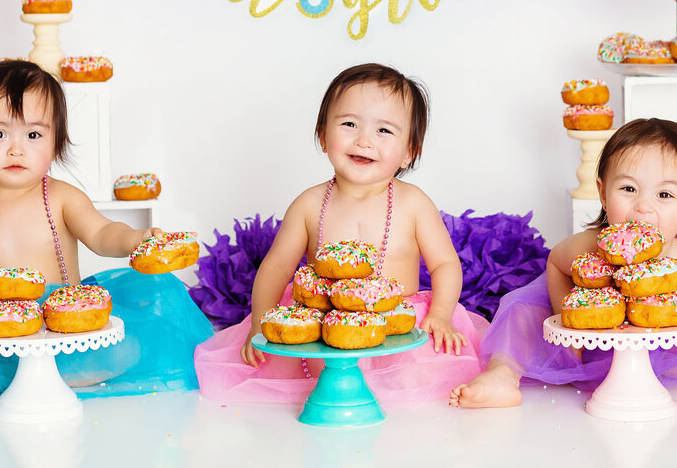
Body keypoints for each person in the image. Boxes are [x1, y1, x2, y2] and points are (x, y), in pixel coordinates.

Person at [0, 59, 211, 398]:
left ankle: (26, 378)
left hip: (61, 327)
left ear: (55, 141)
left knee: (126, 349)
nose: (16, 148)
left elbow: (102, 234)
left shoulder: (62, 197)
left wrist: (135, 239)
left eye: (33, 134)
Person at [450, 117, 677, 412]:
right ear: (602, 191)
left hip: (658, 345)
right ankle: (502, 377)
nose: (643, 206)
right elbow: (555, 263)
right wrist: (567, 316)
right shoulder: (591, 246)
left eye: (664, 194)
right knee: (521, 316)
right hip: (590, 339)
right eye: (628, 189)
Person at [194, 63, 488, 404]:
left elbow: (445, 264)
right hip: (324, 325)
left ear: (410, 151)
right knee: (315, 380)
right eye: (349, 124)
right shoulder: (309, 204)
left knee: (415, 381)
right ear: (322, 135)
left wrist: (440, 315)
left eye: (384, 131)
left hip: (398, 324)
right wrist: (260, 322)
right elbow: (276, 266)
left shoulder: (414, 203)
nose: (364, 140)